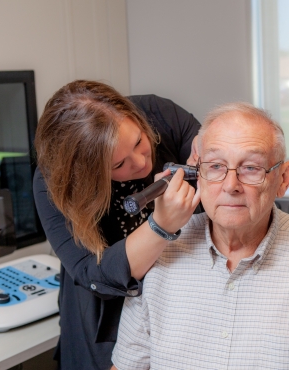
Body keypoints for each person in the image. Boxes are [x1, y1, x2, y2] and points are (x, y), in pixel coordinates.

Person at [111, 102, 289, 369]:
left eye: (251, 168)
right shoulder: (160, 252)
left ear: (282, 179)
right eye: (216, 166)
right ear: (197, 174)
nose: (231, 185)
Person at [33, 80, 202, 370]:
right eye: (118, 165)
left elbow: (219, 170)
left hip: (180, 302)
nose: (140, 163)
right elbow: (94, 273)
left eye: (138, 142)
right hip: (105, 321)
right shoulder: (54, 184)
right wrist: (160, 226)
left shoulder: (160, 114)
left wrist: (212, 149)